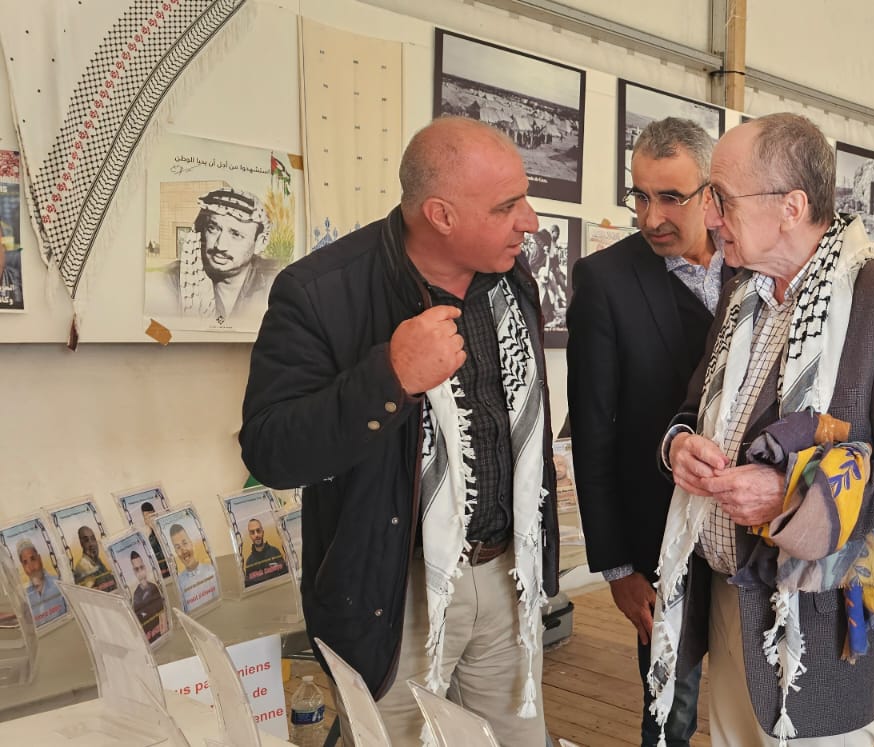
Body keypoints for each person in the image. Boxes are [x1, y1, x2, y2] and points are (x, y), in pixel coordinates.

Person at [240, 116, 560, 745]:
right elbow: (271, 450)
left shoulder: (512, 283)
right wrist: (390, 377)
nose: (530, 221)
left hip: (507, 576)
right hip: (393, 595)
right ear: (441, 216)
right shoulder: (319, 292)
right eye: (506, 206)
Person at [652, 112, 874, 746]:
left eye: (721, 198)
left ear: (791, 207)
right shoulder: (742, 294)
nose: (709, 217)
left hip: (822, 625)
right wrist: (679, 446)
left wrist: (794, 496)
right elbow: (692, 408)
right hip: (729, 598)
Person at [568, 117, 721, 747]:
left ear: (711, 193)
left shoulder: (754, 266)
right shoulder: (605, 282)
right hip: (660, 543)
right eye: (640, 195)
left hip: (752, 537)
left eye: (671, 197)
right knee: (669, 710)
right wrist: (618, 568)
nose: (651, 217)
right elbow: (593, 433)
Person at [160, 188, 283, 325]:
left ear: (260, 243)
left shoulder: (277, 283)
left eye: (236, 234)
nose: (220, 245)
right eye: (213, 228)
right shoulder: (172, 280)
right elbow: (152, 328)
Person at [15, 540, 66, 625]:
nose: (31, 567)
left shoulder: (59, 584)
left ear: (39, 558)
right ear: (23, 567)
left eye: (33, 559)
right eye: (25, 562)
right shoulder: (25, 598)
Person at [168, 523, 217, 602]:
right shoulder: (179, 583)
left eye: (185, 543)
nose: (183, 550)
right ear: (175, 552)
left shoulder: (210, 570)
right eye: (178, 547)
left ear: (191, 543)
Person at [127, 549, 168, 642]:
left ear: (145, 567)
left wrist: (164, 632)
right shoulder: (136, 595)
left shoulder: (154, 588)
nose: (140, 572)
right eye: (137, 569)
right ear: (134, 572)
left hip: (161, 635)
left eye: (141, 567)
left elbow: (162, 613)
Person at [241, 518, 288, 585]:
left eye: (258, 530)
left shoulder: (275, 552)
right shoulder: (249, 562)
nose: (256, 535)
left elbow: (286, 576)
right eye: (252, 532)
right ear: (250, 536)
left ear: (262, 532)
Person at [71, 525, 117, 591]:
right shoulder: (83, 565)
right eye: (86, 540)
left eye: (93, 539)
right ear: (82, 544)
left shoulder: (97, 561)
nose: (91, 544)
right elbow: (92, 593)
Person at [140, 502, 171, 577]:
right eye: (146, 517)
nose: (149, 519)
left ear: (156, 515)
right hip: (161, 573)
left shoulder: (164, 531)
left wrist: (155, 529)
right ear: (144, 520)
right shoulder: (147, 538)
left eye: (151, 515)